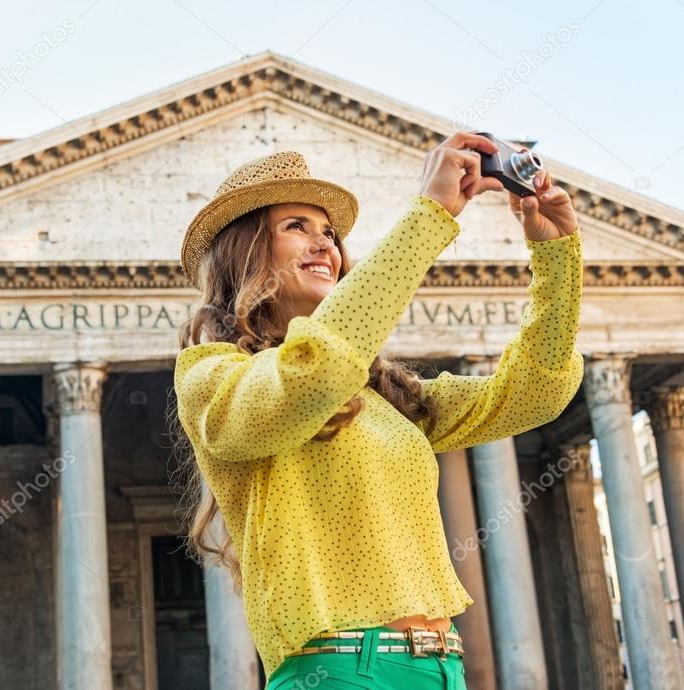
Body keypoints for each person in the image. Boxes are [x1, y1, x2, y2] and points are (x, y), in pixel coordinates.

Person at [169, 132, 584, 689]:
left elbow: (533, 393)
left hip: (442, 667)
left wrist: (557, 258)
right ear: (244, 252)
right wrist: (429, 217)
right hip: (339, 670)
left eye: (330, 234)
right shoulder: (211, 377)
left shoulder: (384, 397)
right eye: (297, 227)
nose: (325, 246)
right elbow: (312, 372)